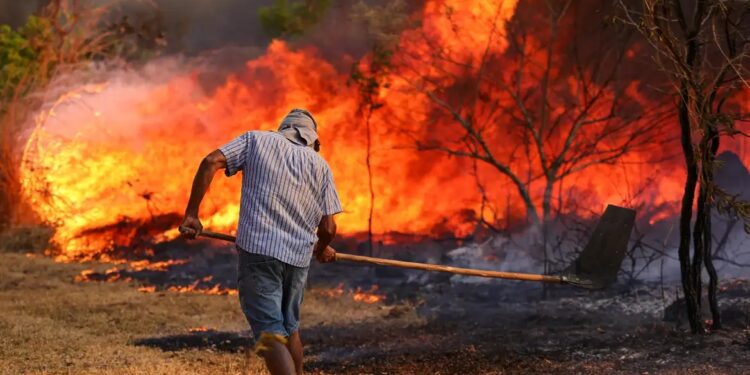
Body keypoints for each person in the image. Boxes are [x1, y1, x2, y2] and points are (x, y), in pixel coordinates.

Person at [178, 109, 343, 375]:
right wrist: (322, 248)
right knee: (290, 328)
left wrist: (192, 215)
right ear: (312, 139)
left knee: (270, 333)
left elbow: (211, 161)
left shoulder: (256, 140)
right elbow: (328, 227)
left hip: (260, 252)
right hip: (298, 260)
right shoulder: (320, 165)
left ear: (283, 129)